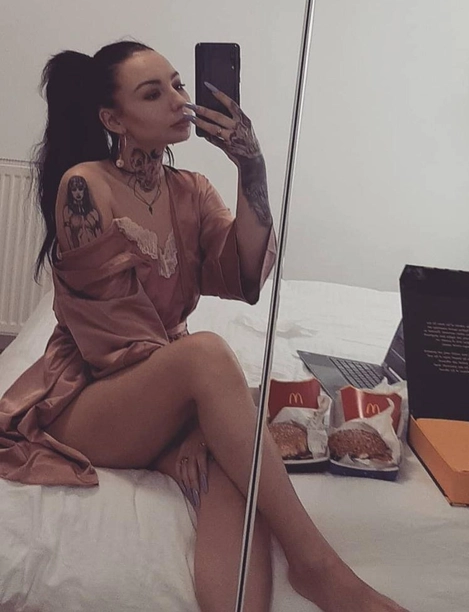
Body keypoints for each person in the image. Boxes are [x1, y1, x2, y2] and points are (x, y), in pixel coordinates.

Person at [0, 40, 408, 612]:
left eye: (177, 84)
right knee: (209, 358)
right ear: (112, 119)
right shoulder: (84, 186)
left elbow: (245, 274)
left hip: (155, 391)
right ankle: (318, 566)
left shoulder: (190, 189)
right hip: (88, 397)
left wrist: (251, 166)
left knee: (239, 474)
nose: (178, 100)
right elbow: (111, 338)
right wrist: (191, 410)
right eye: (152, 93)